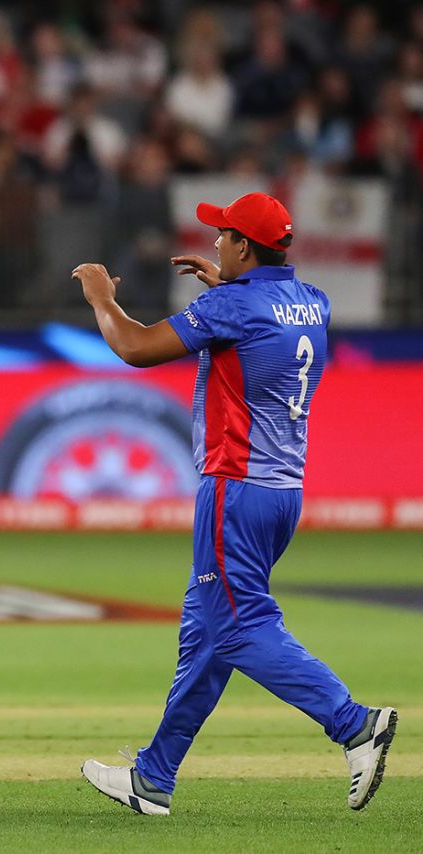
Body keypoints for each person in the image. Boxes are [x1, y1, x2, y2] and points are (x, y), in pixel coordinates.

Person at [72, 192, 396, 815]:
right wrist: (229, 283)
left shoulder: (231, 306)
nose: (215, 241)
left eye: (223, 234)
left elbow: (136, 348)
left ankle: (355, 724)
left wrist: (100, 297)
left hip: (235, 490)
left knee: (240, 626)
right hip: (283, 494)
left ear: (245, 247)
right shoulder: (311, 303)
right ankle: (153, 778)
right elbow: (264, 317)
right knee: (207, 633)